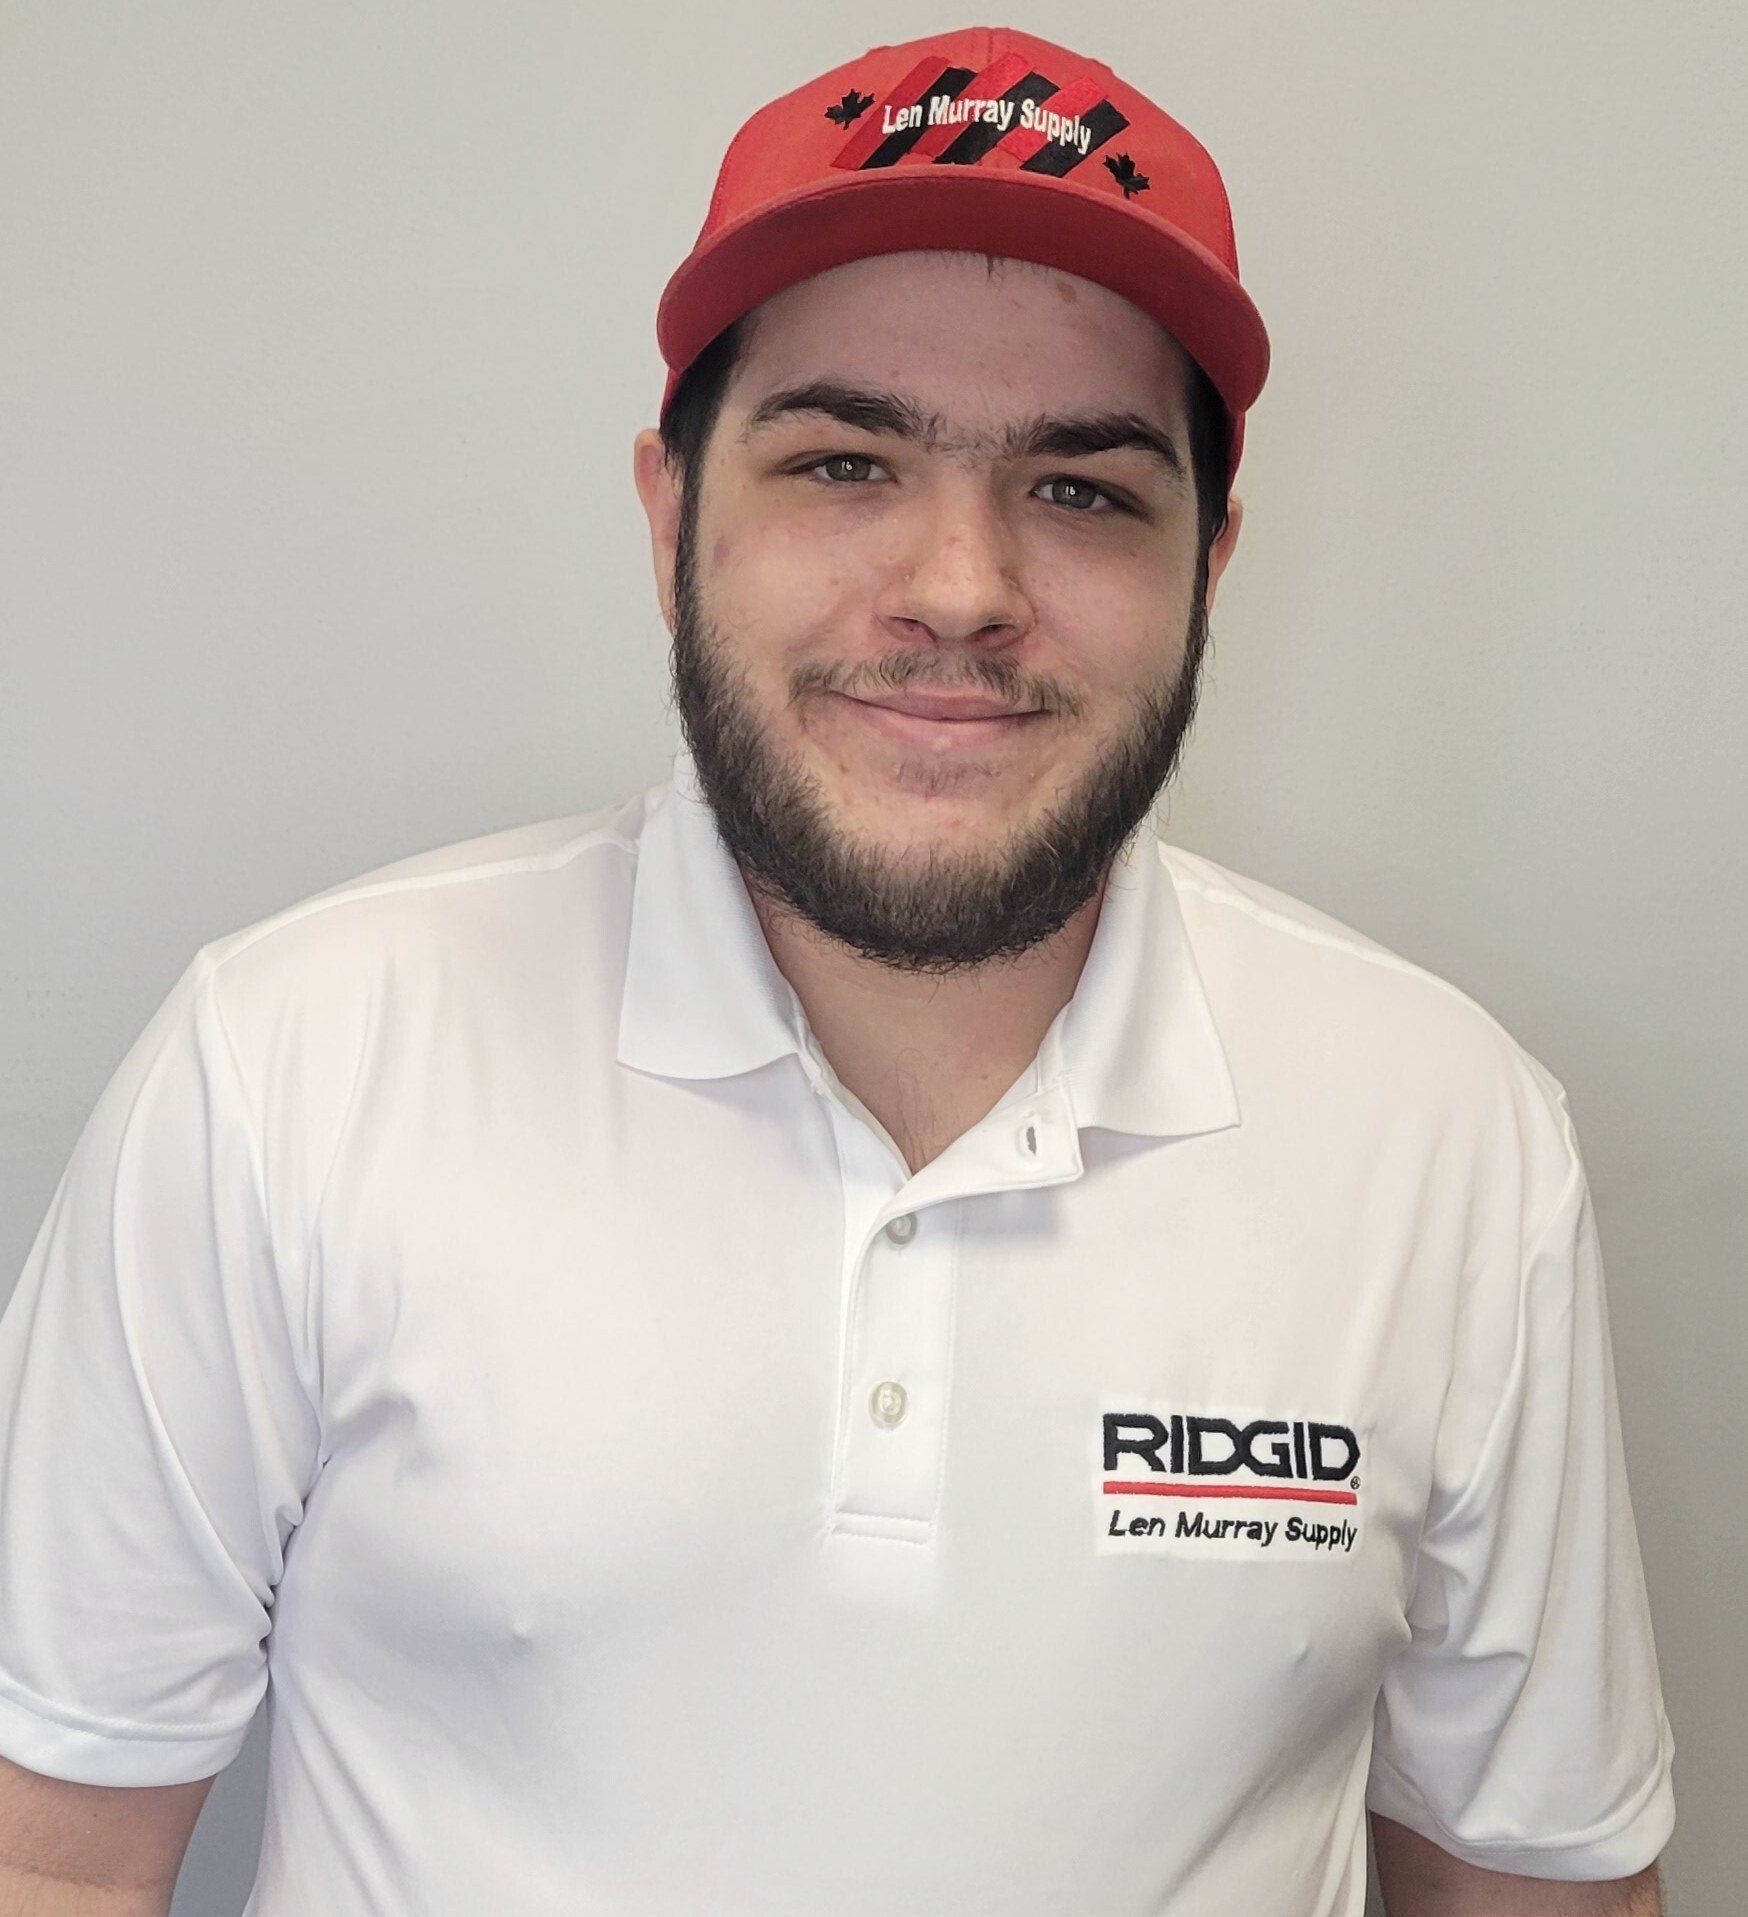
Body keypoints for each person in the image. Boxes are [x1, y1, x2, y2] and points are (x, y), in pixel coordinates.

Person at [0, 24, 1675, 1916]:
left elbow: (1531, 1883)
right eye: (844, 460)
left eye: (1082, 490)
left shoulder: (1449, 1137)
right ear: (670, 518)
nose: (959, 584)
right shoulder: (292, 1065)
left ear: (1212, 554)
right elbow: (48, 1854)